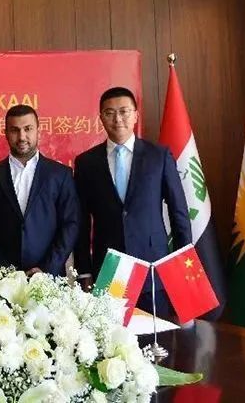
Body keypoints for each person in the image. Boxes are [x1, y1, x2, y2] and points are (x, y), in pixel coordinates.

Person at [74, 87, 192, 318]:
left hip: (153, 267)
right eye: (109, 113)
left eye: (124, 111)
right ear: (101, 118)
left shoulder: (158, 156)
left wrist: (183, 267)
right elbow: (81, 222)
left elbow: (179, 212)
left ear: (136, 115)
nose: (117, 119)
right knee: (111, 337)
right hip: (109, 268)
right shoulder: (87, 162)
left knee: (158, 334)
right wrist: (84, 271)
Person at [0, 104, 79, 276]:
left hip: (49, 278)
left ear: (38, 130)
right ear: (6, 133)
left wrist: (47, 269)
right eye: (15, 130)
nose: (22, 136)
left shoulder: (60, 174)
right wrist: (6, 271)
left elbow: (70, 224)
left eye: (28, 129)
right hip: (2, 280)